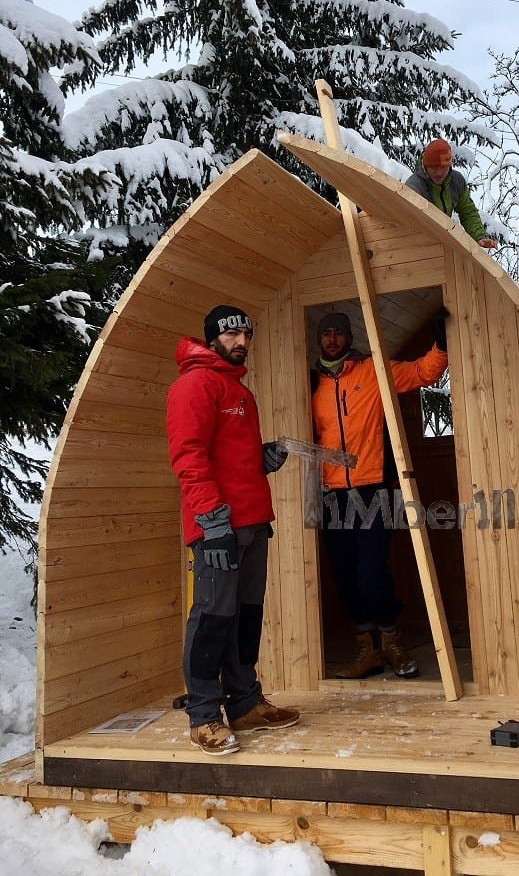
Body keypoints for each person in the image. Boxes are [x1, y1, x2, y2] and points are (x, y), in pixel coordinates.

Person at [166, 304, 300, 756]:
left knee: (246, 618)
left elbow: (228, 456)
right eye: (231, 335)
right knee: (212, 618)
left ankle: (244, 703)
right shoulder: (195, 385)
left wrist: (260, 459)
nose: (241, 342)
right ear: (211, 338)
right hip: (217, 528)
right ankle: (205, 716)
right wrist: (212, 521)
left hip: (252, 523)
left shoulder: (238, 391)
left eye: (246, 334)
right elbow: (188, 456)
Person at [311, 310, 449, 680]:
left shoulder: (372, 370)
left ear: (349, 337)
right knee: (345, 574)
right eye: (327, 334)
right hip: (331, 495)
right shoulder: (309, 384)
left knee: (372, 570)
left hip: (372, 488)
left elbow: (423, 372)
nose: (334, 339)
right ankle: (366, 651)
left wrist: (441, 345)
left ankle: (390, 642)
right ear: (319, 340)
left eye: (340, 333)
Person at [405, 138, 497, 248]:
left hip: (443, 243)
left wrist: (479, 236)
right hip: (419, 246)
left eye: (443, 167)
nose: (438, 173)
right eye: (434, 168)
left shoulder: (456, 181)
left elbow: (467, 211)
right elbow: (410, 223)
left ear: (450, 165)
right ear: (425, 165)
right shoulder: (414, 187)